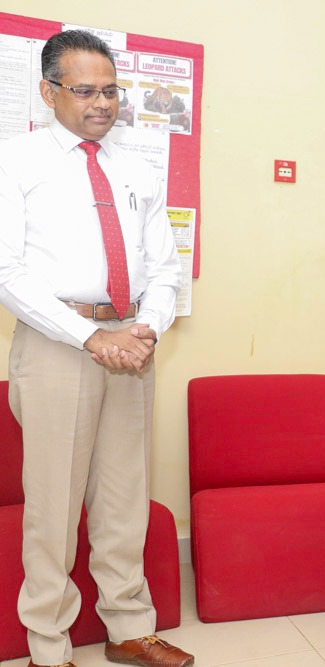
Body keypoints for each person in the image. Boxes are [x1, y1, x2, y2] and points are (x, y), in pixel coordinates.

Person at [0, 31, 191, 667]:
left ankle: (128, 627)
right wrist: (90, 336)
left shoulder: (134, 167)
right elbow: (8, 273)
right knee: (53, 505)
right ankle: (48, 649)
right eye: (86, 90)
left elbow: (164, 266)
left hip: (132, 344)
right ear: (49, 91)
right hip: (60, 344)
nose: (102, 103)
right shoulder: (17, 161)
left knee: (124, 495)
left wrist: (146, 329)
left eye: (111, 90)